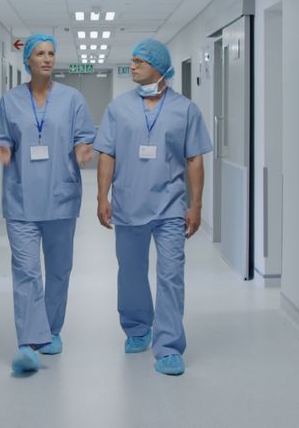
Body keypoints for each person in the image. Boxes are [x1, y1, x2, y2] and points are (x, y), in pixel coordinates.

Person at [93, 39, 213, 376]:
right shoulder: (118, 109)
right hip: (129, 203)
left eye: (139, 61)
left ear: (159, 67)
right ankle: (137, 328)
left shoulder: (186, 110)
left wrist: (197, 205)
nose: (132, 66)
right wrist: (102, 196)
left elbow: (194, 159)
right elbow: (107, 154)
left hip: (171, 206)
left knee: (171, 276)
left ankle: (170, 347)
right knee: (130, 273)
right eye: (131, 61)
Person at [0, 34, 96, 375]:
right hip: (21, 198)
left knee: (59, 270)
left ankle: (51, 329)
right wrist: (3, 149)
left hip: (61, 197)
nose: (47, 59)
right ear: (28, 61)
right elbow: (2, 136)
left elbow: (83, 135)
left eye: (51, 53)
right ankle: (29, 342)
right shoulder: (10, 101)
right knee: (26, 271)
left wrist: (82, 149)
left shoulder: (72, 99)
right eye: (40, 53)